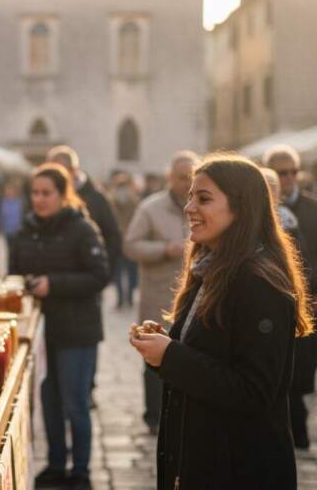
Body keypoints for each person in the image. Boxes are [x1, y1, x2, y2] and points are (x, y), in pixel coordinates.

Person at [129, 154, 312, 489]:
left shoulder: (258, 283)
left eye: (204, 199)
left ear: (240, 208)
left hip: (238, 467)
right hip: (202, 459)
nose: (189, 208)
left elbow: (254, 391)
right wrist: (165, 348)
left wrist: (171, 355)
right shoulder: (209, 270)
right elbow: (210, 357)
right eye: (189, 198)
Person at [10, 164, 110, 490]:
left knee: (74, 404)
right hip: (40, 332)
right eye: (35, 193)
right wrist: (22, 284)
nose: (39, 199)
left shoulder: (82, 229)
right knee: (48, 402)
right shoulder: (25, 230)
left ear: (62, 194)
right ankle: (55, 464)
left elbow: (99, 276)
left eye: (46, 193)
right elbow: (13, 274)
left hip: (77, 332)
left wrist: (53, 284)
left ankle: (80, 470)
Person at [123, 150, 200, 434]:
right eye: (182, 178)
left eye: (191, 178)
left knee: (187, 354)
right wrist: (163, 250)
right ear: (170, 177)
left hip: (192, 299)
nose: (186, 183)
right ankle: (154, 415)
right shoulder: (150, 208)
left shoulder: (203, 207)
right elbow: (131, 245)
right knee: (153, 354)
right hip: (158, 294)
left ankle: (182, 412)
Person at [264, 144, 317, 449]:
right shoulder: (260, 210)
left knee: (302, 371)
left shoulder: (316, 209)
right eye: (283, 172)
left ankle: (297, 430)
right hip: (269, 308)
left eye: (294, 171)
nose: (290, 177)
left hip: (308, 305)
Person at [46, 145, 122, 274]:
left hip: (87, 280)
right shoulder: (44, 198)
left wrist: (103, 273)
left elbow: (112, 238)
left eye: (59, 171)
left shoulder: (97, 199)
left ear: (73, 170)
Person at [107, 170, 141, 308]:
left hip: (130, 243)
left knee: (131, 272)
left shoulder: (134, 202)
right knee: (118, 274)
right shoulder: (111, 202)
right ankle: (121, 299)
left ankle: (130, 297)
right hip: (117, 243)